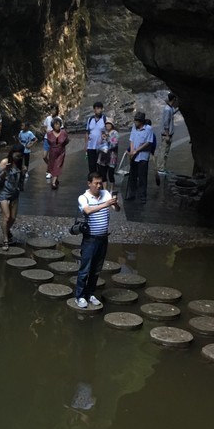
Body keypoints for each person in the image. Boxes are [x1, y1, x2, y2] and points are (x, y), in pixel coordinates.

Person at [74, 172, 120, 309]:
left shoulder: (106, 193)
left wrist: (115, 204)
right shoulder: (83, 197)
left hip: (103, 238)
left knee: (96, 269)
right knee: (85, 269)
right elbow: (87, 211)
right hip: (90, 239)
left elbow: (116, 209)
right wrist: (106, 204)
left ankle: (90, 294)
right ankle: (80, 296)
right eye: (96, 183)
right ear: (89, 183)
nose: (99, 186)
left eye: (100, 183)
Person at [0, 146, 24, 250]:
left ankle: (6, 230)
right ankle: (5, 240)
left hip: (14, 193)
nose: (18, 157)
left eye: (20, 155)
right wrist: (4, 172)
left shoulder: (20, 164)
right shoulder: (5, 162)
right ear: (12, 153)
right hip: (3, 192)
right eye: (16, 154)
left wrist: (22, 180)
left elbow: (21, 180)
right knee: (6, 216)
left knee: (13, 218)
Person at [126, 111, 154, 203]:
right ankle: (132, 193)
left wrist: (137, 150)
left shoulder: (148, 129)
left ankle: (142, 195)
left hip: (143, 156)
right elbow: (132, 139)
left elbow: (148, 142)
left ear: (141, 121)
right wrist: (131, 150)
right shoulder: (134, 127)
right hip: (134, 155)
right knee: (132, 175)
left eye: (137, 121)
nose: (135, 122)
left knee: (142, 176)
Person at [156, 94, 178, 178]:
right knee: (163, 151)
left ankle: (162, 167)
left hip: (168, 134)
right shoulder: (167, 109)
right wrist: (167, 135)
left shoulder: (169, 108)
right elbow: (166, 123)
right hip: (166, 134)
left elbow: (173, 112)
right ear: (174, 99)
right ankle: (160, 168)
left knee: (165, 151)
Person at [46, 118, 69, 189]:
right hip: (52, 151)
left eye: (58, 124)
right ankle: (56, 179)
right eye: (55, 124)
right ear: (53, 125)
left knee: (58, 165)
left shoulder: (63, 132)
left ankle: (53, 183)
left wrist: (61, 145)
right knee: (53, 166)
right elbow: (48, 142)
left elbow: (67, 141)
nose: (57, 126)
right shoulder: (49, 134)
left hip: (61, 151)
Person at [84, 101, 107, 174]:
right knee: (91, 166)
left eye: (100, 108)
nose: (99, 110)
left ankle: (100, 183)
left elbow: (109, 131)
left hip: (101, 147)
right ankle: (92, 182)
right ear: (94, 110)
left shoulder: (104, 119)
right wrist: (86, 145)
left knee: (101, 167)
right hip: (91, 146)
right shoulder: (90, 119)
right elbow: (87, 132)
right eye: (97, 108)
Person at [96, 119, 119, 190]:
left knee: (110, 174)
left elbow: (114, 144)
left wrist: (107, 139)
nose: (108, 125)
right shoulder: (103, 132)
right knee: (103, 174)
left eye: (109, 124)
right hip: (103, 156)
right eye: (107, 124)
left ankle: (112, 189)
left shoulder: (115, 133)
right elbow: (99, 143)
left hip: (112, 156)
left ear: (112, 125)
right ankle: (105, 190)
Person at [42, 104, 63, 180]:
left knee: (52, 157)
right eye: (52, 110)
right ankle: (52, 167)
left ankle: (50, 171)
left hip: (54, 140)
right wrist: (46, 130)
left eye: (55, 110)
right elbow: (44, 126)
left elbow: (62, 130)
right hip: (46, 138)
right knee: (44, 156)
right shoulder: (48, 118)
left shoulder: (59, 119)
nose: (53, 111)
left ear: (57, 111)